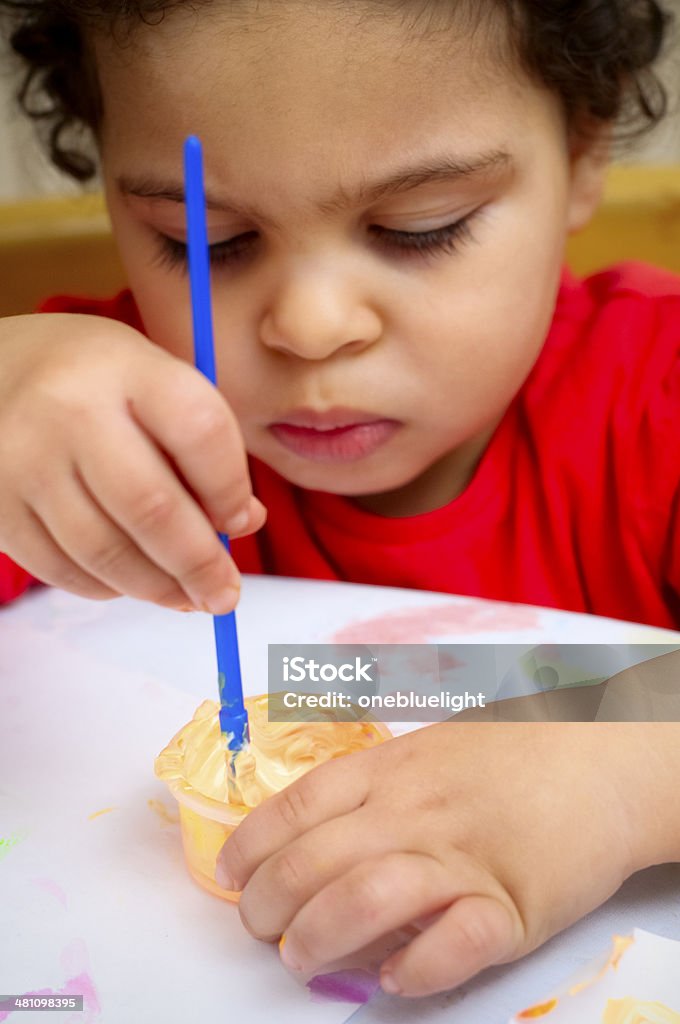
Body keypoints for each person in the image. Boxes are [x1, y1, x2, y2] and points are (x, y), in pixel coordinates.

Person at [1, 0, 679, 997]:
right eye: (209, 241)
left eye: (420, 228)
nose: (310, 326)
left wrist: (621, 778)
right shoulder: (78, 436)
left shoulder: (653, 398)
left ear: (583, 150)